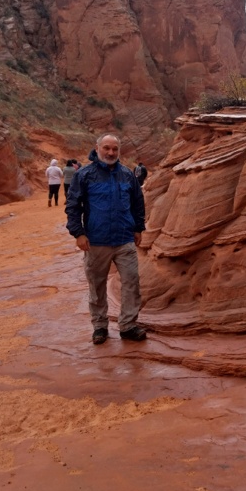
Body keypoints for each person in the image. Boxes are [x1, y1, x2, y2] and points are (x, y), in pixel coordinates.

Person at [65, 133, 147, 345]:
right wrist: (79, 233)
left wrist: (138, 228)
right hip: (96, 242)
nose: (111, 153)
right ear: (97, 148)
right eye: (106, 148)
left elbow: (138, 203)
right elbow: (73, 206)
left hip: (124, 240)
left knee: (131, 282)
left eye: (115, 149)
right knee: (97, 285)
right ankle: (100, 326)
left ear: (119, 151)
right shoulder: (84, 175)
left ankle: (128, 326)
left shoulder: (127, 175)